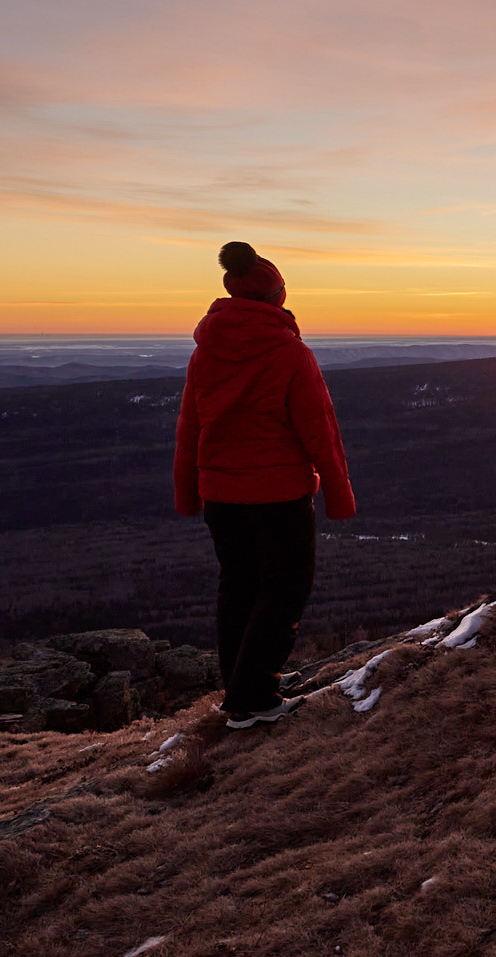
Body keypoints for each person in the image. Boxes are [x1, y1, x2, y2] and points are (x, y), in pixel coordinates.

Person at [175, 242, 356, 729]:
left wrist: (187, 491)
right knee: (285, 588)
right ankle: (253, 697)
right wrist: (339, 494)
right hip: (279, 495)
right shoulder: (290, 352)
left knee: (238, 587)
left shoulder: (205, 352)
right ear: (276, 296)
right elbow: (319, 427)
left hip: (221, 496)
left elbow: (190, 428)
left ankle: (243, 688)